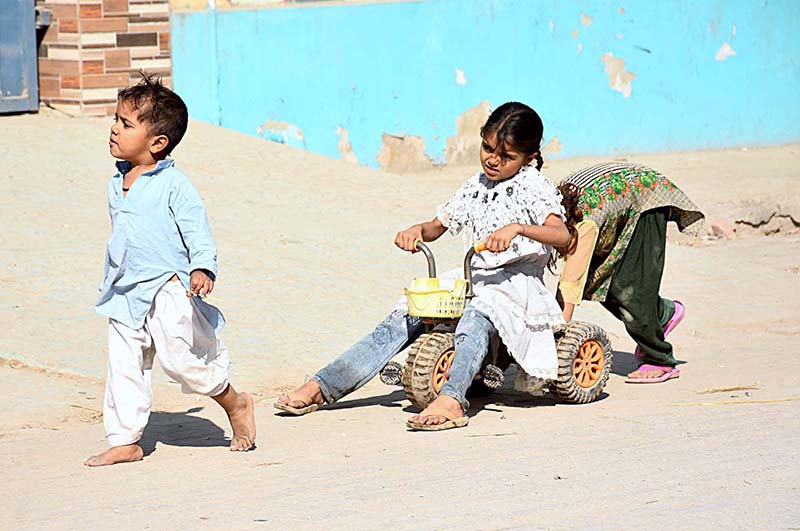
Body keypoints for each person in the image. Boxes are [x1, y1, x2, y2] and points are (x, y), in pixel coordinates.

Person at [275, 102, 571, 430]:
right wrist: (417, 231)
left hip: (514, 284)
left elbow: (561, 234)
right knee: (407, 313)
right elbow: (438, 225)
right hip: (475, 275)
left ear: (529, 156)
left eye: (506, 156)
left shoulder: (533, 186)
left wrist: (518, 228)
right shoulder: (477, 185)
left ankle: (453, 399)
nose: (492, 160)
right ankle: (325, 385)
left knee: (476, 315)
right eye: (487, 148)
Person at [85, 75, 256, 467]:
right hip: (125, 289)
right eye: (116, 119)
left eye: (126, 124)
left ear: (157, 143)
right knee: (123, 364)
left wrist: (202, 267)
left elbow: (197, 227)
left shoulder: (174, 184)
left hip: (168, 285)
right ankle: (125, 439)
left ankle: (234, 401)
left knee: (180, 362)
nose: (114, 128)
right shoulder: (117, 181)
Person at [556, 162, 704, 384]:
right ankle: (663, 314)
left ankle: (659, 359)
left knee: (631, 291)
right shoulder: (544, 218)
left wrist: (557, 338)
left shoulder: (582, 226)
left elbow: (570, 285)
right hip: (618, 199)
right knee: (598, 283)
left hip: (645, 199)